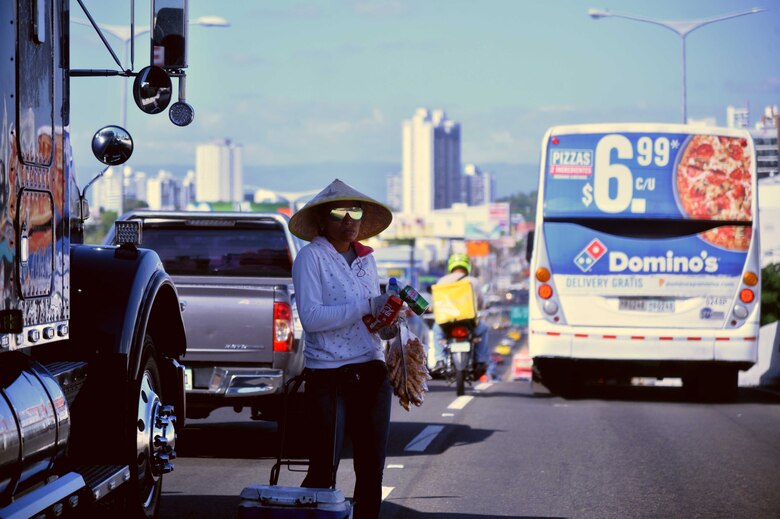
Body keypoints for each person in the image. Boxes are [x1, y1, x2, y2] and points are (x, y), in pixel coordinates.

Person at [289, 178, 394, 519]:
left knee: (371, 470)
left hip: (372, 370)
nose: (349, 219)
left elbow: (371, 318)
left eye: (355, 211)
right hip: (329, 375)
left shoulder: (366, 259)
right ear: (323, 219)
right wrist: (368, 305)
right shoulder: (310, 258)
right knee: (323, 468)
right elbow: (313, 317)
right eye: (339, 212)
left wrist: (389, 317)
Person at [431, 253, 489, 377]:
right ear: (467, 266)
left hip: (446, 321)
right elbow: (482, 302)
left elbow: (436, 303)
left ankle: (440, 360)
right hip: (469, 321)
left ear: (451, 266)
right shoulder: (474, 281)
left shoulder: (442, 281)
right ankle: (481, 361)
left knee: (436, 331)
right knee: (483, 330)